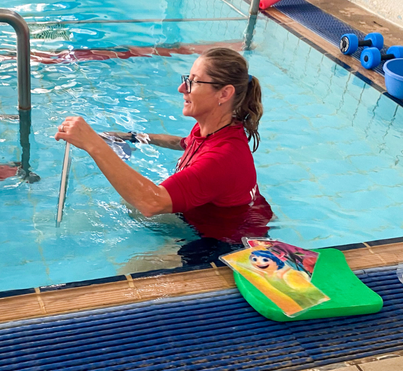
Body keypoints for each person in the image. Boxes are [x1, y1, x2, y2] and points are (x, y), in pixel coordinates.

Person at [54, 47, 273, 267]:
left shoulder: (222, 157)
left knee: (135, 269)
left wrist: (92, 144)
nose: (181, 88)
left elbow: (151, 202)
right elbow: (183, 143)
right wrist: (131, 136)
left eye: (194, 82)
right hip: (201, 217)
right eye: (187, 79)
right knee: (129, 200)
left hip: (226, 243)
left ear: (224, 94)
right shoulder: (213, 130)